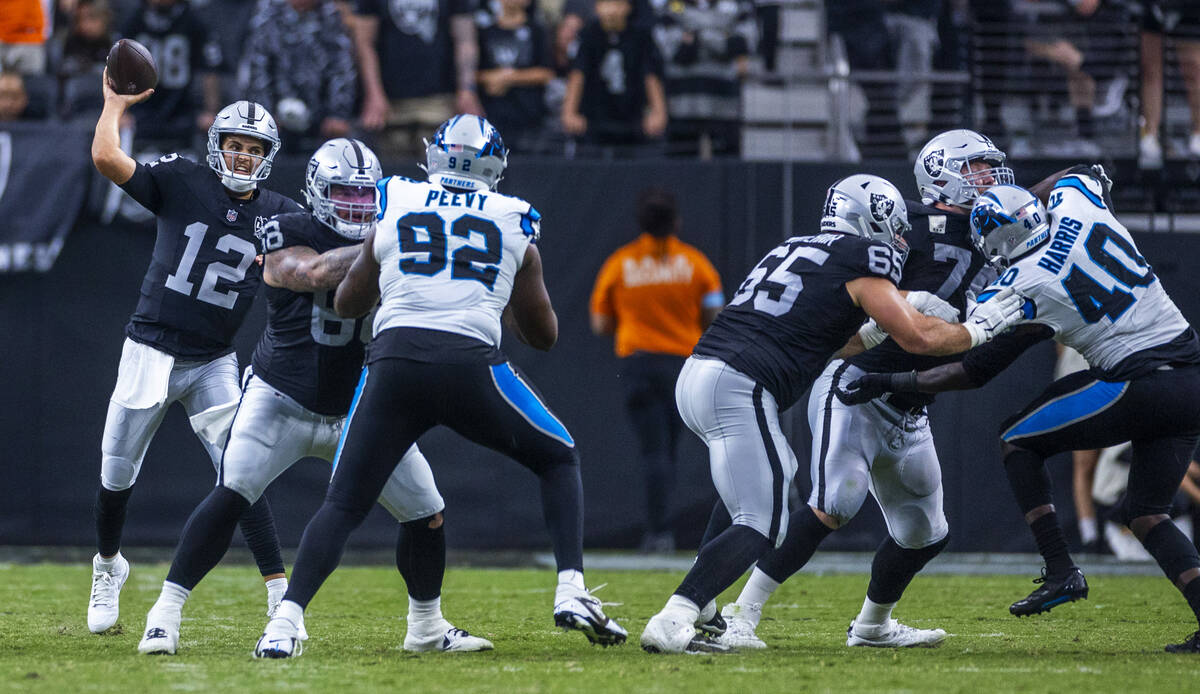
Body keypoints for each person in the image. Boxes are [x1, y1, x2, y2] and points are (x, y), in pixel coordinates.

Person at [252, 115, 628, 658]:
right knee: (559, 457)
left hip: (394, 364)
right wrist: (503, 292)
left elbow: (347, 303)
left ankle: (283, 626)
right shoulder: (514, 217)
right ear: (496, 165)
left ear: (435, 158)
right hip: (471, 367)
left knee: (342, 503)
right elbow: (543, 336)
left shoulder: (398, 199)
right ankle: (571, 587)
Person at [638, 173, 1028, 654]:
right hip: (742, 383)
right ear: (873, 220)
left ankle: (708, 609)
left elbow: (829, 339)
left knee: (753, 492)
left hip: (702, 373)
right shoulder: (866, 255)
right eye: (897, 227)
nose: (902, 240)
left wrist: (874, 334)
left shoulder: (797, 246)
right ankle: (677, 614)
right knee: (766, 516)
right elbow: (920, 338)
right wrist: (983, 327)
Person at [136, 139, 492, 656]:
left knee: (427, 513)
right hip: (281, 396)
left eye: (363, 195)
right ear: (316, 192)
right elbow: (309, 273)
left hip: (361, 409)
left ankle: (427, 627)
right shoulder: (289, 227)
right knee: (232, 492)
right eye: (342, 193)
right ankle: (163, 615)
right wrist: (401, 240)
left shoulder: (393, 229)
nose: (354, 205)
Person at [837, 171, 1200, 653]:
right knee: (1146, 513)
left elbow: (966, 350)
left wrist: (890, 372)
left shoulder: (1025, 281)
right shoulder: (1080, 209)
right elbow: (1084, 176)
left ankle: (1060, 568)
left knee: (1017, 439)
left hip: (1141, 378)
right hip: (1192, 378)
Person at [88, 73, 302, 635]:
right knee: (116, 473)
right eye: (235, 145)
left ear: (268, 157)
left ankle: (279, 591)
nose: (243, 156)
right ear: (217, 146)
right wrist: (113, 104)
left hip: (212, 358)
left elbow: (321, 257)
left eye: (254, 149)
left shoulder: (280, 212)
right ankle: (109, 566)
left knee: (242, 470)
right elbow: (108, 158)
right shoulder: (183, 178)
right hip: (150, 347)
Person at [589, 187, 724, 553]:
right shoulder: (695, 264)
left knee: (654, 451)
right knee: (680, 448)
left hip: (638, 364)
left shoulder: (621, 263)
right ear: (676, 221)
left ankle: (658, 531)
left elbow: (600, 323)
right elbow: (715, 310)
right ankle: (711, 527)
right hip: (684, 365)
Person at [352, 0, 484, 160]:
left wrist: (467, 90)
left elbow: (465, 40)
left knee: (440, 174)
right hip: (390, 105)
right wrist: (373, 94)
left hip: (440, 100)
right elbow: (364, 43)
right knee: (394, 177)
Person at [239, 0, 357, 153]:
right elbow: (257, 66)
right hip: (276, 117)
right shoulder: (267, 13)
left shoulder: (330, 15)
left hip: (322, 119)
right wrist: (263, 115)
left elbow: (341, 66)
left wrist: (338, 114)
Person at [560, 0, 668, 156]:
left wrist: (658, 112)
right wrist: (569, 112)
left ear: (628, 7)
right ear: (597, 7)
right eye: (606, 3)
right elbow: (577, 75)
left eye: (617, 4)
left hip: (632, 119)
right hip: (594, 119)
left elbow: (650, 76)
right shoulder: (588, 35)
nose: (611, 10)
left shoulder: (640, 36)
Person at [121, 0, 223, 148]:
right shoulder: (132, 21)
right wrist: (120, 112)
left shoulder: (195, 21)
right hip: (139, 116)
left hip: (184, 115)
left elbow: (210, 70)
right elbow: (118, 69)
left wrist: (210, 111)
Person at [475, 0, 554, 152]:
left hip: (530, 116)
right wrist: (491, 78)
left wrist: (507, 78)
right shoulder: (485, 32)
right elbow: (472, 73)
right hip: (492, 116)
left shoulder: (538, 31)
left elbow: (547, 72)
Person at [1137, 0, 1200, 167]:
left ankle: (1198, 133)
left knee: (1194, 68)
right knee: (1150, 69)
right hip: (1153, 8)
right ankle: (1150, 135)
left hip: (1190, 10)